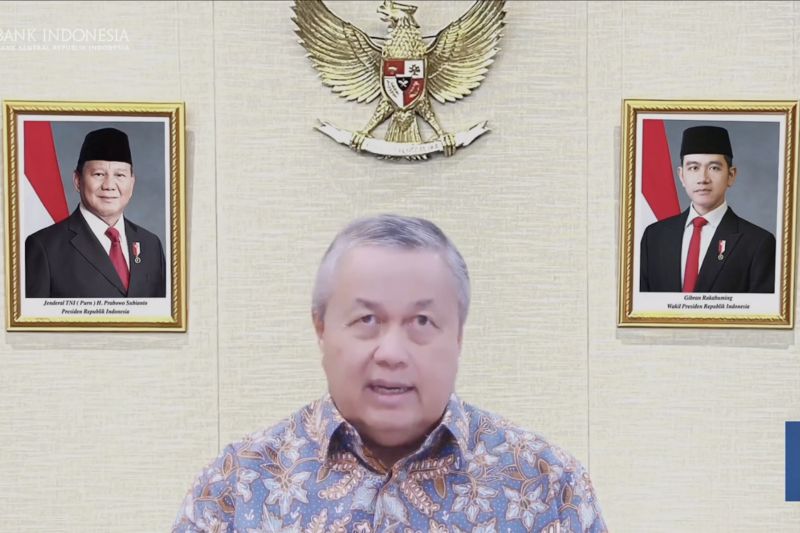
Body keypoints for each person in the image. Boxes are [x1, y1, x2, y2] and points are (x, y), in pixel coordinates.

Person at [172, 215, 607, 533]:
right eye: (367, 320)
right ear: (321, 328)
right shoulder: (237, 485)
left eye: (422, 322)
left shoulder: (548, 484)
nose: (393, 353)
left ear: (458, 335)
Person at [25, 127, 166, 298]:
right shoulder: (44, 247)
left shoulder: (151, 244)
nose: (109, 185)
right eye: (99, 174)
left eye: (120, 175)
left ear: (132, 182)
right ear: (78, 181)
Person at [640, 125, 776, 293]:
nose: (703, 179)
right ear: (681, 175)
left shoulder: (758, 243)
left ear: (731, 175)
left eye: (714, 168)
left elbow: (761, 308)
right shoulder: (654, 236)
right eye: (693, 168)